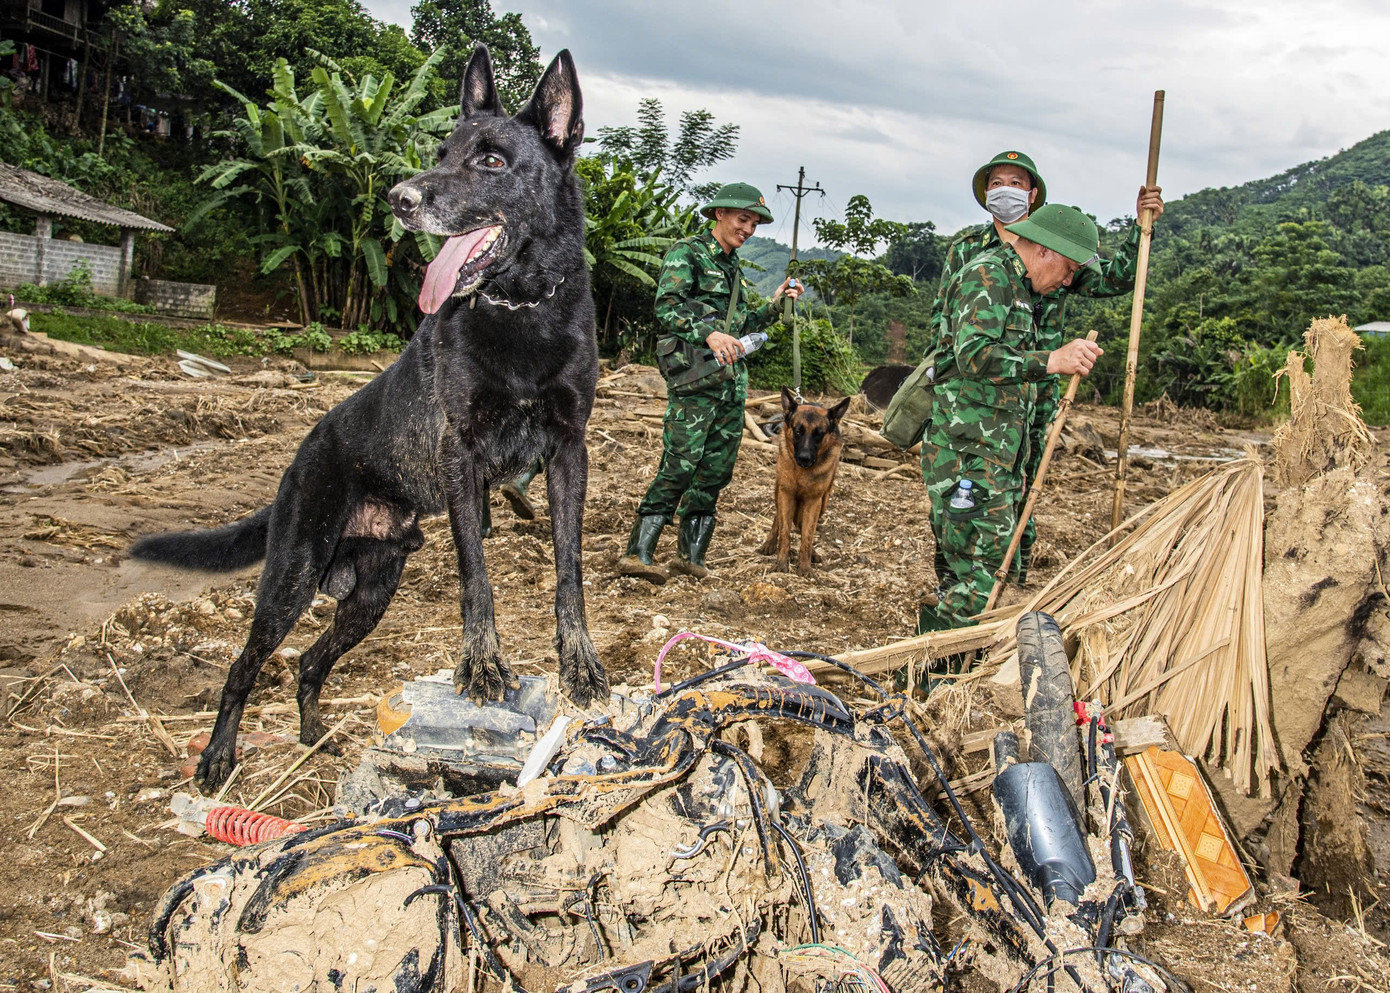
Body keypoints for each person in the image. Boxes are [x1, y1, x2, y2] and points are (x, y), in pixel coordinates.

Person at [928, 151, 1163, 586]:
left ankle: (1004, 587)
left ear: (1033, 196)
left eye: (1017, 183)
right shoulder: (974, 257)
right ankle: (964, 600)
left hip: (1028, 404)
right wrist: (942, 390)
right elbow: (960, 342)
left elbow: (1114, 278)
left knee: (1016, 503)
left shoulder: (1056, 249)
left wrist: (1141, 226)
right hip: (976, 410)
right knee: (973, 521)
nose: (1006, 191)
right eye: (997, 182)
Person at [916, 204, 1105, 635]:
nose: (1068, 280)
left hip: (997, 456)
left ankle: (958, 675)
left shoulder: (1021, 289)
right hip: (968, 457)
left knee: (996, 568)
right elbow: (974, 355)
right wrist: (1053, 359)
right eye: (1069, 268)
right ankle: (934, 679)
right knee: (978, 579)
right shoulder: (988, 277)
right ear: (1044, 251)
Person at [617, 182, 803, 584]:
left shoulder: (733, 268)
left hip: (730, 385)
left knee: (716, 470)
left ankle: (690, 557)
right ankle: (639, 551)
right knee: (681, 464)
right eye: (743, 219)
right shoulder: (688, 254)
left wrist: (776, 304)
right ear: (720, 214)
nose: (749, 229)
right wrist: (708, 333)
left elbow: (743, 326)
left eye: (754, 223)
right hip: (695, 379)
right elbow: (666, 308)